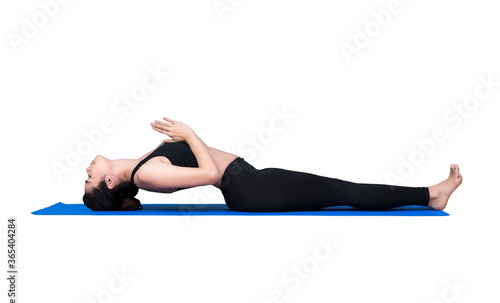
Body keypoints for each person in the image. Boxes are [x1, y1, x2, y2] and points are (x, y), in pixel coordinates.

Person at [83, 117, 462, 212]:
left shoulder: (143, 167)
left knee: (339, 189)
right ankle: (431, 195)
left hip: (252, 184)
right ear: (111, 183)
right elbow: (211, 173)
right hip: (250, 188)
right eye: (89, 180)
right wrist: (190, 133)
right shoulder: (146, 174)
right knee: (341, 191)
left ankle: (428, 194)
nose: (86, 171)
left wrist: (182, 138)